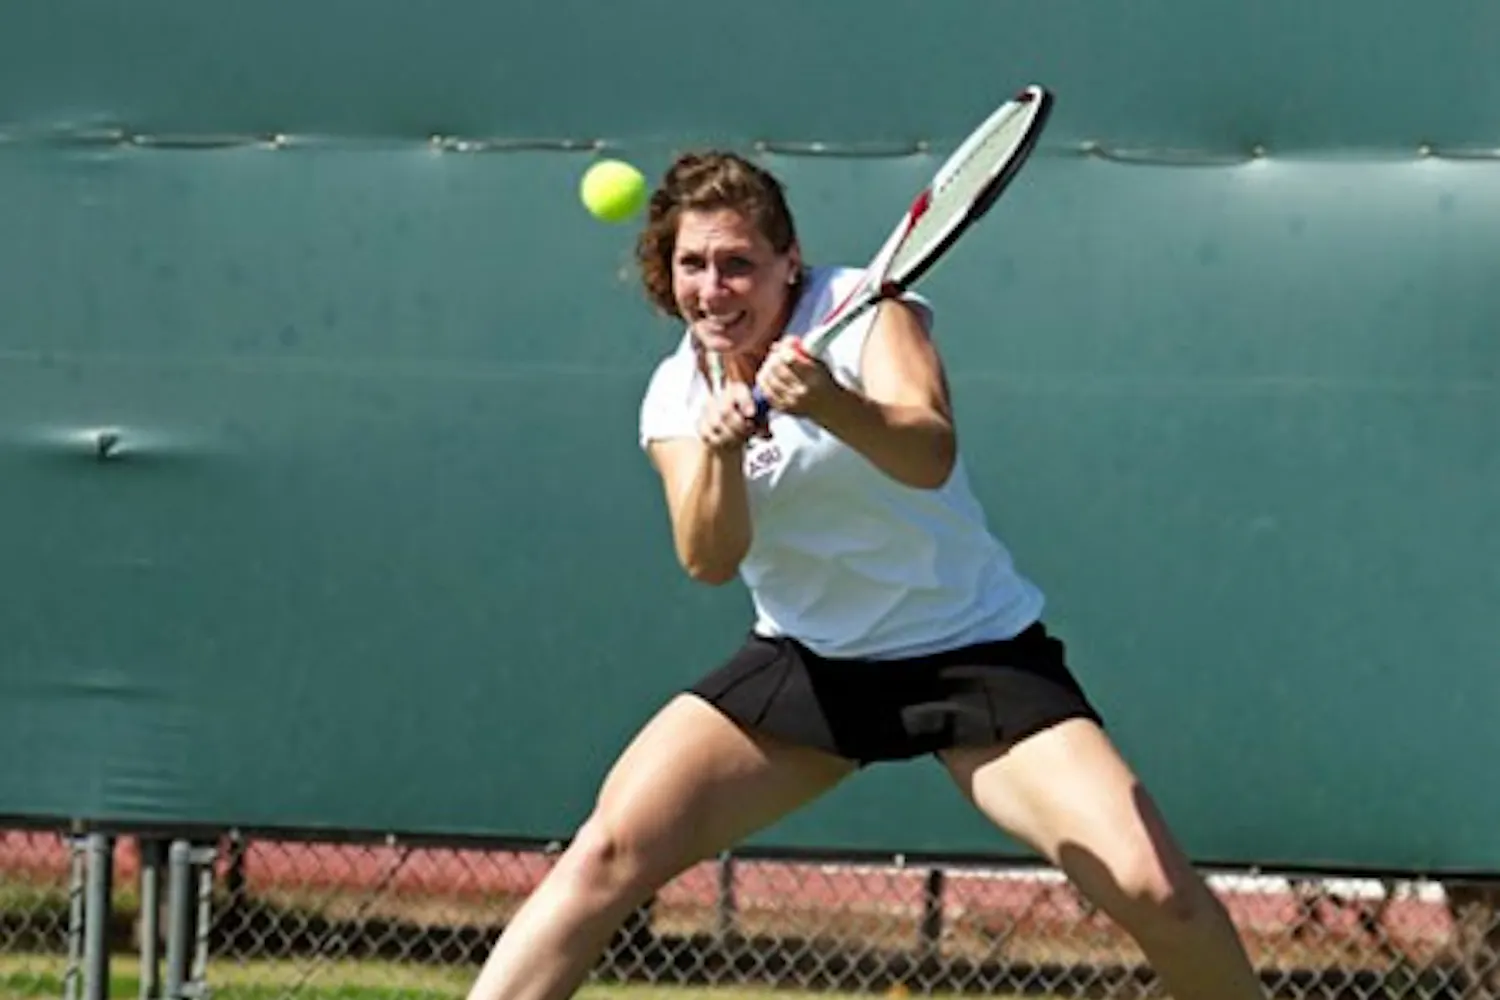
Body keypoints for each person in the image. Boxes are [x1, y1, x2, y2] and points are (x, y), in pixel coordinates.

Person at [464, 151, 1266, 1000]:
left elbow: (928, 452)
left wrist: (828, 402)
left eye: (738, 262)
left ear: (787, 262)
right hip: (810, 669)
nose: (714, 287)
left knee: (1157, 893)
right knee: (606, 855)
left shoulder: (870, 312)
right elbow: (709, 558)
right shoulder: (676, 393)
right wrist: (722, 449)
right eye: (692, 265)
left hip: (974, 654)